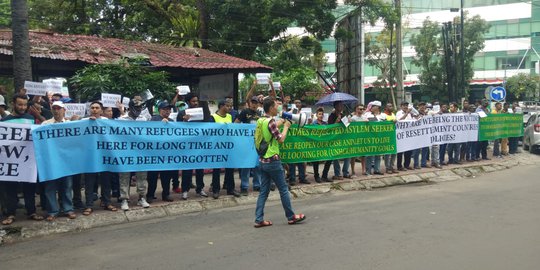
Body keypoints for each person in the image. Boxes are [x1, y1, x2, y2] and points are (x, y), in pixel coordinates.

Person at [254, 98, 305, 228]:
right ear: (271, 108)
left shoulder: (261, 120)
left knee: (263, 192)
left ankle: (259, 219)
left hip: (262, 161)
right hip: (272, 160)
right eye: (276, 106)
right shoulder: (270, 121)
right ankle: (291, 216)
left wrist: (282, 121)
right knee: (283, 189)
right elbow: (280, 139)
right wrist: (286, 127)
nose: (278, 109)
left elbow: (271, 128)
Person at [1, 94, 44, 225]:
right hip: (11, 162)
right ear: (13, 104)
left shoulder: (31, 118)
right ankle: (11, 214)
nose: (22, 107)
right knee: (10, 189)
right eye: (20, 104)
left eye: (25, 105)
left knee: (29, 187)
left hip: (27, 160)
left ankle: (31, 211)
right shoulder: (5, 121)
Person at [41, 101, 77, 221]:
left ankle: (68, 209)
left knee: (67, 186)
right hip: (51, 162)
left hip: (66, 162)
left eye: (59, 108)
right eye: (54, 108)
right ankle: (52, 211)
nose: (56, 110)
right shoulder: (45, 124)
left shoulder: (70, 125)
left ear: (64, 110)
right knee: (50, 187)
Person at [117, 97, 151, 210]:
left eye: (140, 107)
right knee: (124, 176)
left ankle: (141, 198)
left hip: (141, 152)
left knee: (142, 176)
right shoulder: (121, 120)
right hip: (125, 152)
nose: (139, 109)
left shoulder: (144, 119)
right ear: (130, 107)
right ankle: (124, 199)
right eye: (136, 107)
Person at [177, 93, 209, 199]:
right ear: (188, 102)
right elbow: (176, 129)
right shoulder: (182, 113)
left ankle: (200, 189)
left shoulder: (202, 112)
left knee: (200, 169)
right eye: (193, 101)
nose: (195, 103)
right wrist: (183, 121)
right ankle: (185, 190)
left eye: (196, 101)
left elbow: (207, 125)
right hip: (187, 145)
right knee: (187, 169)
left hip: (199, 145)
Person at [146, 101, 176, 202]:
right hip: (154, 154)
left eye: (169, 109)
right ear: (160, 110)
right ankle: (150, 195)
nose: (167, 111)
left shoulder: (172, 121)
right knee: (152, 177)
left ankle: (166, 194)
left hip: (167, 154)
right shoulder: (153, 119)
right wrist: (160, 124)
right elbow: (149, 133)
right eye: (165, 109)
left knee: (166, 176)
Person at [210, 100, 240, 199]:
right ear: (221, 106)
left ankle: (230, 188)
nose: (230, 108)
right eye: (228, 106)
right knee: (216, 169)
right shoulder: (213, 117)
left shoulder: (230, 116)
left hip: (228, 146)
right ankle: (216, 189)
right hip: (217, 146)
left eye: (230, 106)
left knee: (230, 168)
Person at [235, 96, 262, 195]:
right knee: (246, 164)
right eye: (253, 102)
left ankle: (257, 185)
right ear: (249, 103)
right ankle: (244, 186)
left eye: (256, 103)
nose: (255, 104)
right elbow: (236, 124)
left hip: (257, 143)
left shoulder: (259, 114)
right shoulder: (244, 112)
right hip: (246, 143)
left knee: (257, 165)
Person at [321, 101, 351, 181]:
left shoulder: (343, 115)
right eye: (339, 105)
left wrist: (348, 121)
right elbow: (330, 128)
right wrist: (336, 122)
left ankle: (345, 172)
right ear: (335, 106)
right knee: (335, 157)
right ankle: (337, 174)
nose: (341, 107)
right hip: (334, 139)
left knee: (347, 155)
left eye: (342, 105)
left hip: (342, 139)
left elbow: (347, 126)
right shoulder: (331, 116)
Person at [363, 101, 386, 175]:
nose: (371, 108)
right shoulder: (367, 115)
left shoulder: (383, 115)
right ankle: (368, 171)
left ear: (377, 107)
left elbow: (386, 125)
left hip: (380, 137)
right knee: (369, 155)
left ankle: (377, 169)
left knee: (378, 155)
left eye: (373, 106)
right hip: (369, 137)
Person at [349, 104, 367, 176]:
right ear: (356, 109)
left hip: (362, 138)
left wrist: (367, 123)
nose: (361, 110)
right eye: (360, 109)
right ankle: (353, 171)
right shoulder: (353, 118)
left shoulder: (364, 118)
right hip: (354, 139)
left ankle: (363, 170)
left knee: (363, 155)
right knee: (353, 156)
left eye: (362, 109)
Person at [311, 107, 328, 182]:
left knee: (329, 158)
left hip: (324, 145)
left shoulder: (325, 124)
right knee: (316, 161)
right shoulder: (313, 123)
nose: (321, 115)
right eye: (319, 114)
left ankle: (325, 175)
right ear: (317, 115)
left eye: (322, 114)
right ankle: (316, 176)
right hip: (316, 145)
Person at [396, 101, 414, 170]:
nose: (406, 107)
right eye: (404, 105)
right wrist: (407, 113)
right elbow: (400, 120)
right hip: (401, 134)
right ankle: (399, 166)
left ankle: (407, 165)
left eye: (406, 105)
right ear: (401, 106)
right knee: (400, 151)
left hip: (408, 134)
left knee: (408, 151)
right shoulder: (399, 113)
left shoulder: (410, 114)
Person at [382, 103, 398, 174]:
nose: (391, 107)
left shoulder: (393, 115)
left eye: (392, 106)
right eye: (389, 106)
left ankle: (392, 166)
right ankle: (387, 167)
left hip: (393, 136)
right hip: (386, 136)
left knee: (394, 152)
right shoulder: (383, 115)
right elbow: (382, 124)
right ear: (386, 107)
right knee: (387, 153)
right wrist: (390, 122)